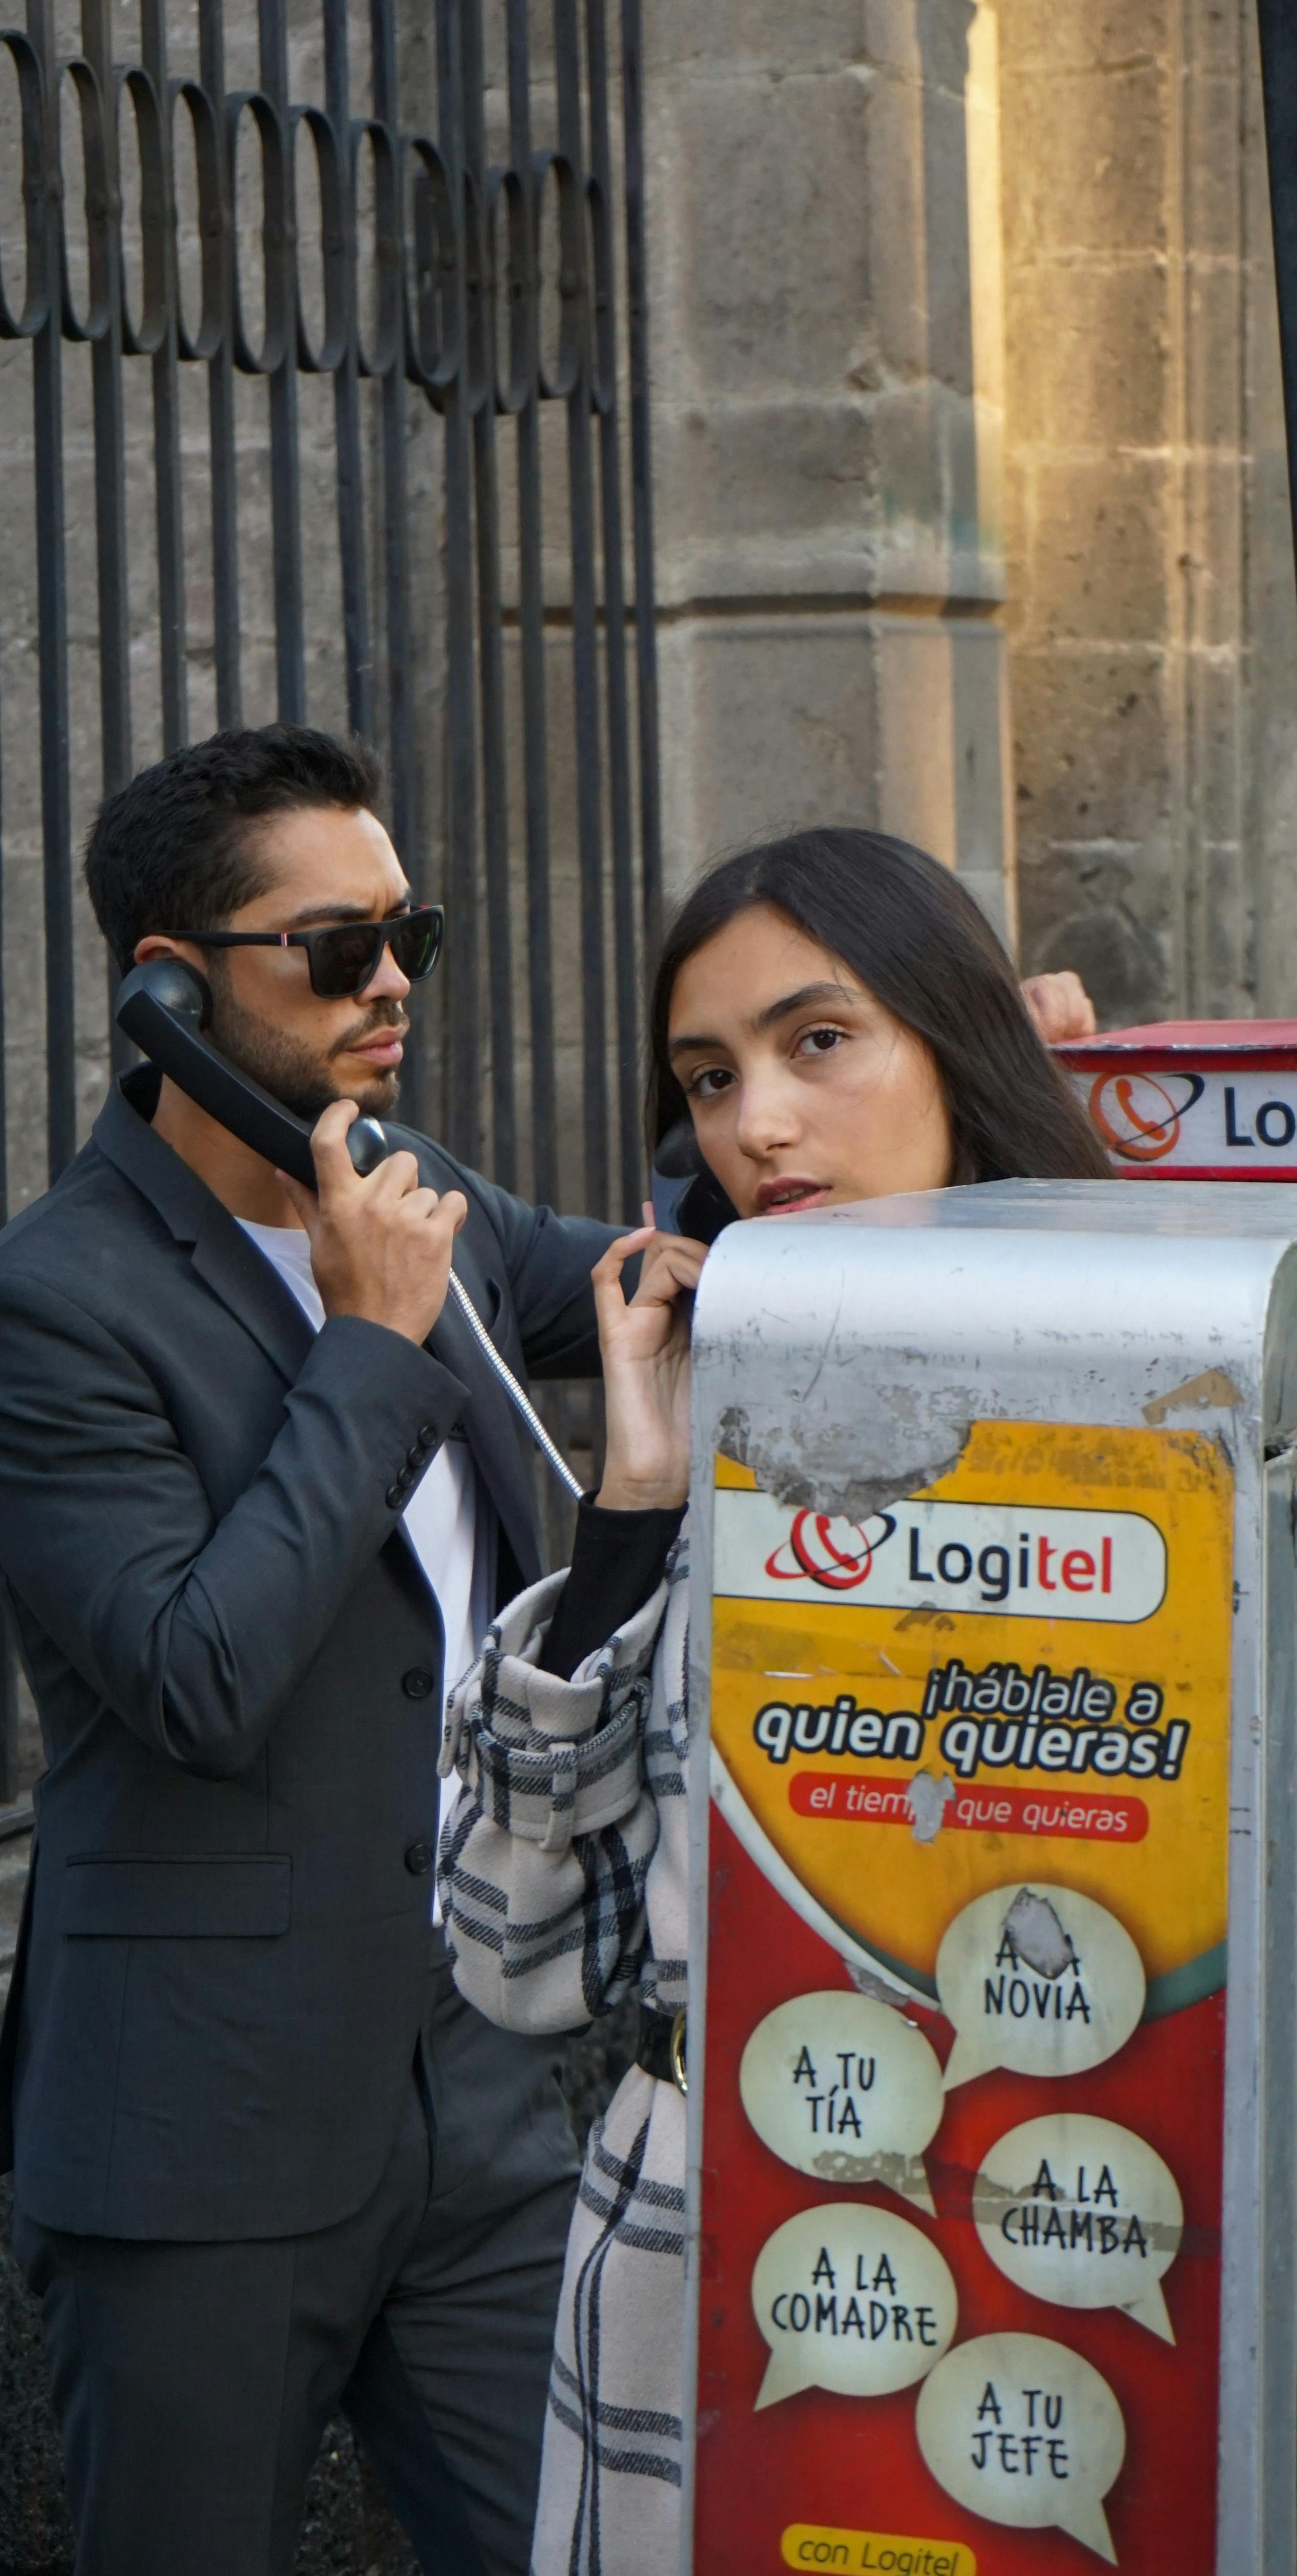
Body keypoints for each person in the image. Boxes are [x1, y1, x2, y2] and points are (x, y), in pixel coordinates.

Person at [436, 827, 1112, 2576]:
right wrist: (635, 1505)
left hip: (1067, 2226)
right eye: (710, 1076)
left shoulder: (1159, 1390)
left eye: (821, 1043)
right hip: (705, 2244)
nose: (759, 1124)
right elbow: (516, 1957)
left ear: (958, 1040)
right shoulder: (724, 1438)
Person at [0, 725, 635, 2576]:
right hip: (201, 2135)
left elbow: (643, 1281)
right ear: (172, 989)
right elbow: (199, 1678)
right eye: (335, 947)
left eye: (407, 941)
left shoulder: (408, 1184)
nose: (387, 992)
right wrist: (364, 1347)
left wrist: (898, 1121)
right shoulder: (56, 1301)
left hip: (478, 2106)